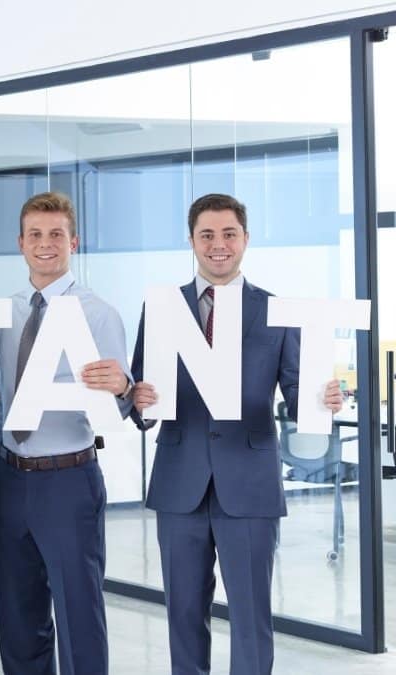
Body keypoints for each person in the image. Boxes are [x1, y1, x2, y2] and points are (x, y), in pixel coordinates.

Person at [129, 193, 343, 675]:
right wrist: (136, 402)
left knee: (251, 618)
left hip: (249, 484)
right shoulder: (163, 309)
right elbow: (142, 392)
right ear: (191, 240)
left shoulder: (275, 310)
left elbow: (295, 393)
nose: (218, 244)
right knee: (183, 615)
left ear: (246, 238)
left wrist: (321, 398)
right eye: (206, 234)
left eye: (229, 234)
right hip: (179, 482)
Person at [0, 191, 133, 675]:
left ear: (74, 241)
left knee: (79, 618)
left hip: (68, 480)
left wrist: (124, 387)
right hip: (9, 480)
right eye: (35, 234)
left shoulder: (98, 314)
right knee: (17, 619)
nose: (45, 244)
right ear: (20, 243)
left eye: (55, 235)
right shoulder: (3, 313)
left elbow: (119, 402)